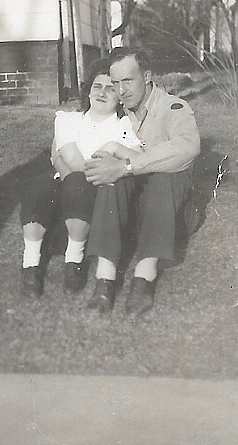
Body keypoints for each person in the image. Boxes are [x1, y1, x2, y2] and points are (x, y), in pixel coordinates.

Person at [84, 47, 201, 318]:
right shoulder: (120, 113)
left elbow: (187, 147)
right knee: (111, 174)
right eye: (116, 83)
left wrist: (127, 166)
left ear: (147, 77)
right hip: (136, 209)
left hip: (173, 209)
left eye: (128, 80)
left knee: (166, 174)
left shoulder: (173, 107)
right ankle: (105, 278)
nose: (121, 90)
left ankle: (144, 276)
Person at [20, 58, 142, 297]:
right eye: (97, 86)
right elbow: (73, 159)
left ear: (119, 96)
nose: (102, 93)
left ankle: (73, 262)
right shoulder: (69, 119)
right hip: (69, 180)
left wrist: (113, 150)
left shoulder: (124, 124)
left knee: (76, 184)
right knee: (38, 189)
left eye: (110, 88)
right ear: (88, 91)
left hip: (102, 189)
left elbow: (137, 155)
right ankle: (30, 266)